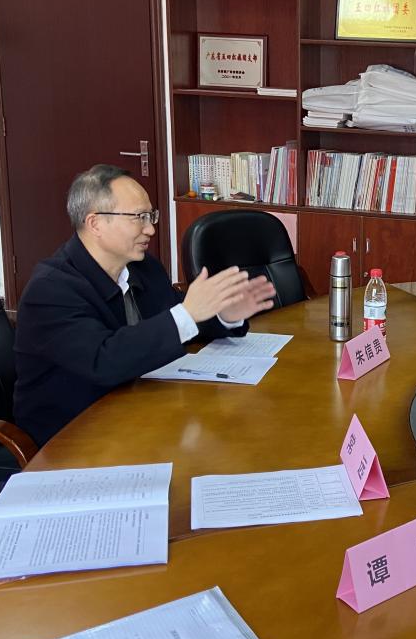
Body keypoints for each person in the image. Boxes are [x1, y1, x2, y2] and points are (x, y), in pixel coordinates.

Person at [14, 165, 276, 445]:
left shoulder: (143, 268)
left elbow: (177, 322)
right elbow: (104, 360)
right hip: (71, 439)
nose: (150, 229)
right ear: (95, 223)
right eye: (139, 217)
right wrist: (187, 313)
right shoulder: (51, 289)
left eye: (151, 216)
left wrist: (224, 314)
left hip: (140, 415)